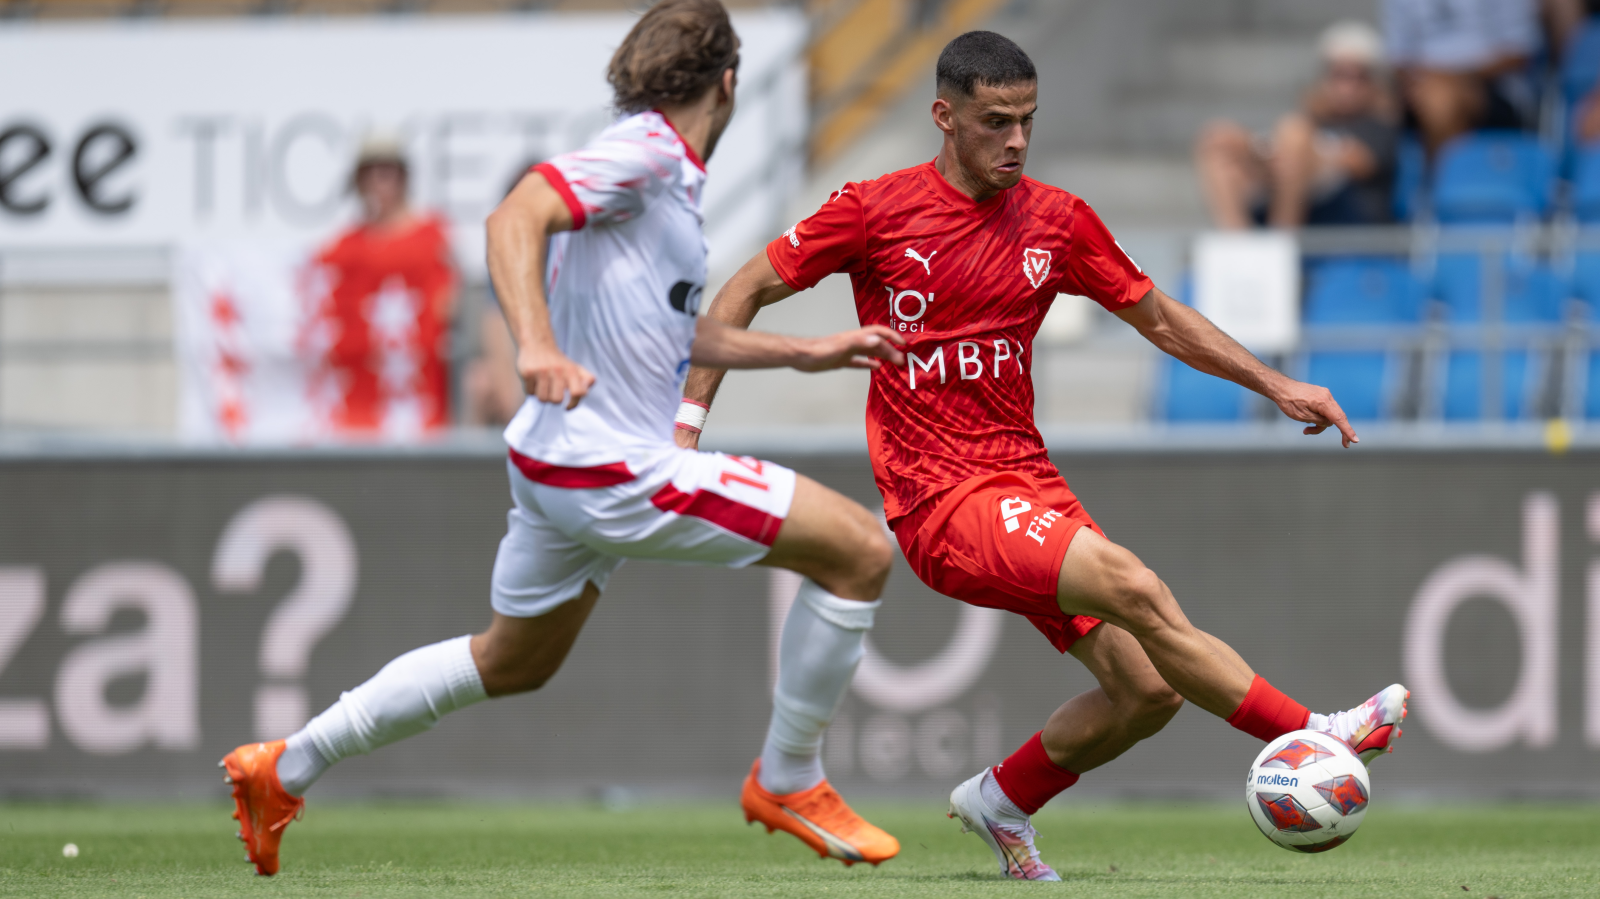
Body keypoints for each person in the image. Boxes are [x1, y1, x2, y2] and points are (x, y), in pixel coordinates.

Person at [681, 31, 1409, 881]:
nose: (1017, 140)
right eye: (996, 122)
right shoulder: (875, 210)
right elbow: (742, 289)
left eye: (1027, 119)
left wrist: (1277, 384)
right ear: (944, 116)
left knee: (1147, 692)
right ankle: (1318, 733)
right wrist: (687, 427)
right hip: (940, 501)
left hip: (1028, 482)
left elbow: (1160, 318)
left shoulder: (1058, 220)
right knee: (1133, 584)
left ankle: (1001, 798)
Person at [222, 0, 908, 876]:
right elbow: (514, 216)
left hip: (555, 462)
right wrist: (535, 345)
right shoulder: (649, 153)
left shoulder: (660, 178)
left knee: (511, 660)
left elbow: (669, 331)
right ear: (729, 83)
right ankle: (789, 776)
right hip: (608, 466)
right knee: (859, 551)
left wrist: (805, 350)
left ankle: (284, 766)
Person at [303, 135, 457, 438]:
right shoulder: (346, 247)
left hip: (417, 397)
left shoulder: (431, 237)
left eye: (387, 172)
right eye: (370, 174)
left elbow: (446, 303)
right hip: (360, 407)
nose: (379, 183)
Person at [1196, 21, 1399, 229]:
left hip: (1348, 215)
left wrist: (1294, 151)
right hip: (1294, 192)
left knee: (1294, 133)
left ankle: (1283, 235)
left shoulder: (1381, 125)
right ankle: (1236, 241)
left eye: (1357, 77)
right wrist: (1264, 152)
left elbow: (1357, 163)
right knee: (1220, 140)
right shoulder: (1312, 119)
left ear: (1374, 82)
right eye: (1338, 75)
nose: (1346, 88)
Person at [1382, 0, 1541, 157]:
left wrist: (1453, 78)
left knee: (1440, 99)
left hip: (1494, 88)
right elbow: (1398, 59)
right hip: (1423, 87)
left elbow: (1519, 52)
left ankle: (1442, 172)